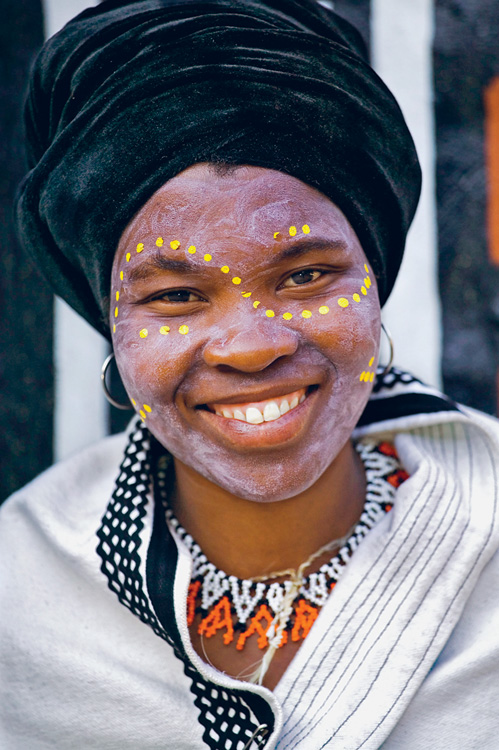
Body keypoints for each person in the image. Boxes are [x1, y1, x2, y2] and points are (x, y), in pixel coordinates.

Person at [2, 1, 499, 748]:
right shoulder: (21, 590)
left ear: (375, 279)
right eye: (175, 296)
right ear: (109, 321)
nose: (248, 347)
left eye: (304, 276)